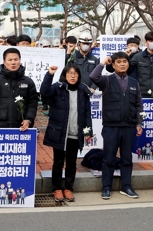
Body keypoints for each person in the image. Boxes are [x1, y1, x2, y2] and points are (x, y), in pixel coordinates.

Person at [90, 51, 143, 200]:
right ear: (113, 65)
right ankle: (106, 187)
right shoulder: (107, 80)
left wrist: (139, 122)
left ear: (128, 63)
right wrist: (102, 63)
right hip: (111, 126)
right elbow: (93, 77)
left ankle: (126, 186)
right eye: (118, 62)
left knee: (127, 158)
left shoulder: (134, 83)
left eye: (124, 61)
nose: (122, 64)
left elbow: (139, 105)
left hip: (129, 126)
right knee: (108, 158)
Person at [40, 63, 92, 202]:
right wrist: (49, 75)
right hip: (59, 133)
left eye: (75, 73)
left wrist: (88, 130)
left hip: (75, 134)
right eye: (69, 73)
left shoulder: (83, 90)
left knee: (71, 163)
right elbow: (44, 94)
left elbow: (87, 112)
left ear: (79, 75)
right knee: (57, 162)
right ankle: (57, 189)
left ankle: (68, 189)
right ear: (65, 75)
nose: (73, 76)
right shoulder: (58, 88)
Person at [0, 48, 38, 130]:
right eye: (10, 60)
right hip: (1, 124)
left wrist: (28, 119)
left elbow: (33, 103)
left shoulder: (28, 81)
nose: (13, 62)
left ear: (20, 61)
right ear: (4, 62)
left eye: (16, 59)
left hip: (21, 125)